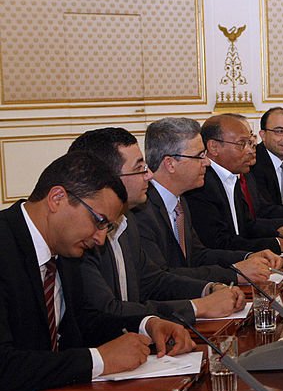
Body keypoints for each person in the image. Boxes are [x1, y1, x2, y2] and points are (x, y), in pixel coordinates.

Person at [0, 152, 194, 391]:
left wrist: (147, 325)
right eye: (99, 221)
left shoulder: (64, 248)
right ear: (57, 198)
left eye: (107, 228)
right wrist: (99, 360)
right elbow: (4, 366)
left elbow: (84, 323)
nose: (100, 239)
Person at [67, 128, 246, 324]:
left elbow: (152, 280)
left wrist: (209, 288)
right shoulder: (79, 236)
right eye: (139, 169)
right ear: (106, 179)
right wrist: (198, 306)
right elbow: (105, 311)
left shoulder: (127, 221)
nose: (149, 175)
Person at [133, 117, 281, 285]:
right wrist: (234, 274)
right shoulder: (142, 211)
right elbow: (161, 277)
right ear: (170, 164)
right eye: (199, 156)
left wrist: (249, 255)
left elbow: (198, 255)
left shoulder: (180, 201)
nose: (207, 162)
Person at [185, 114, 283, 253]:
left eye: (250, 143)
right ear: (214, 147)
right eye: (242, 144)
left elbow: (246, 226)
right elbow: (218, 243)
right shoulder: (202, 185)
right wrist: (276, 243)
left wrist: (280, 234)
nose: (251, 150)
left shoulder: (231, 176)